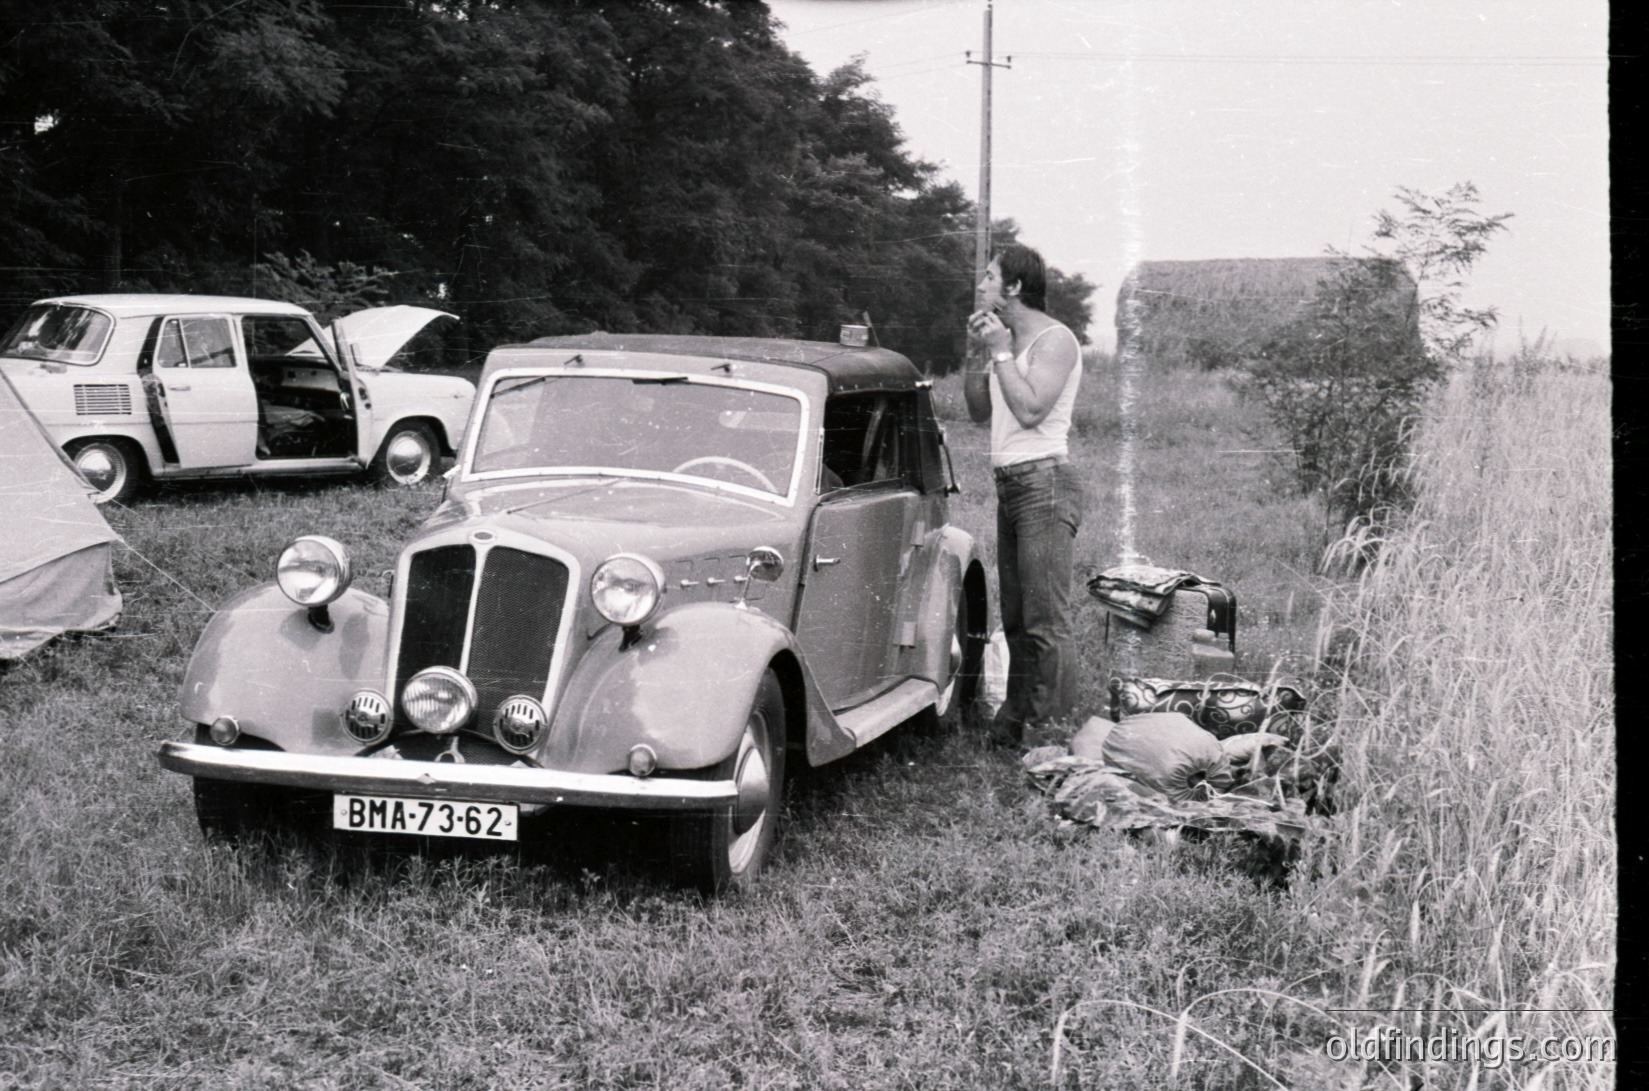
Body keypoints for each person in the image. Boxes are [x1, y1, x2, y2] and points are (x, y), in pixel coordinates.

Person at [963, 244, 1086, 744]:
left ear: (1014, 287)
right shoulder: (1007, 344)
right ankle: (1014, 723)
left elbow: (1032, 410)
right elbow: (977, 411)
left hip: (1045, 483)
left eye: (990, 278)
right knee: (1014, 619)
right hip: (1011, 484)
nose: (981, 286)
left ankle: (1050, 737)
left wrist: (999, 353)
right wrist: (979, 354)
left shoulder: (1055, 341)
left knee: (1046, 622)